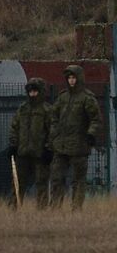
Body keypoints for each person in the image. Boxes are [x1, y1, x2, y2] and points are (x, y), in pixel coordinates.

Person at [47, 63, 105, 210]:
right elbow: (54, 116)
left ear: (79, 78)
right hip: (61, 146)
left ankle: (76, 208)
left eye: (74, 77)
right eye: (69, 78)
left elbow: (96, 119)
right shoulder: (62, 97)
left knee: (78, 180)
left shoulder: (87, 98)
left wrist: (91, 134)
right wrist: (54, 135)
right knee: (56, 178)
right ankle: (55, 207)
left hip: (79, 146)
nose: (71, 80)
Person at [7, 77, 51, 209]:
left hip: (40, 154)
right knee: (17, 183)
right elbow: (14, 127)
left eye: (35, 91)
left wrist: (48, 149)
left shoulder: (47, 110)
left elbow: (53, 131)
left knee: (41, 183)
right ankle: (13, 209)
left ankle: (42, 210)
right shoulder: (22, 109)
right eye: (30, 91)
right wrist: (13, 145)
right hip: (22, 153)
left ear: (41, 92)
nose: (32, 94)